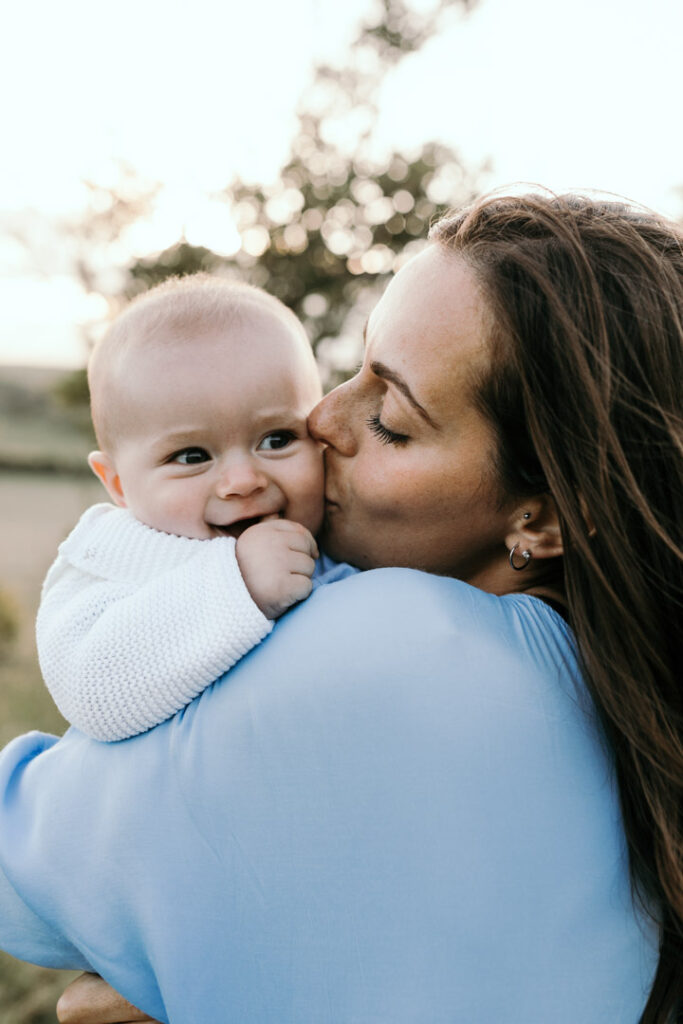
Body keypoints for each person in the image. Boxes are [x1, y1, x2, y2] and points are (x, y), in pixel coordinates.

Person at [0, 191, 680, 1024]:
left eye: (390, 418)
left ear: (539, 516)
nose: (321, 418)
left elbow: (25, 875)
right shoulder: (614, 697)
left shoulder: (391, 645)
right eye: (349, 370)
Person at [36, 275, 332, 741]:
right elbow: (91, 691)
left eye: (277, 439)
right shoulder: (108, 557)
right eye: (192, 456)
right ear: (116, 484)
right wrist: (238, 585)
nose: (242, 481)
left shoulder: (339, 531)